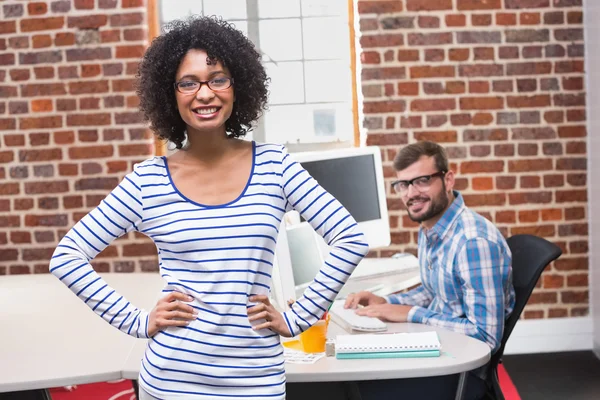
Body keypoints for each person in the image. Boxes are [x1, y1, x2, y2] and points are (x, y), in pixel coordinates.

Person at [49, 16, 368, 400]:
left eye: (218, 78)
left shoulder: (275, 166)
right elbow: (67, 256)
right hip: (171, 383)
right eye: (188, 82)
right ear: (171, 94)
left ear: (238, 87)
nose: (205, 94)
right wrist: (139, 321)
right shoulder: (148, 181)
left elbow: (349, 238)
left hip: (256, 383)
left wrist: (297, 319)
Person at [344, 141, 515, 400]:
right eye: (403, 184)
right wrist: (387, 302)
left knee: (350, 386)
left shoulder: (472, 241)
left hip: (457, 373)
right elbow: (434, 289)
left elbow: (485, 336)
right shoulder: (430, 227)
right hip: (440, 348)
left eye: (422, 180)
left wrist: (412, 314)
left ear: (448, 180)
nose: (411, 193)